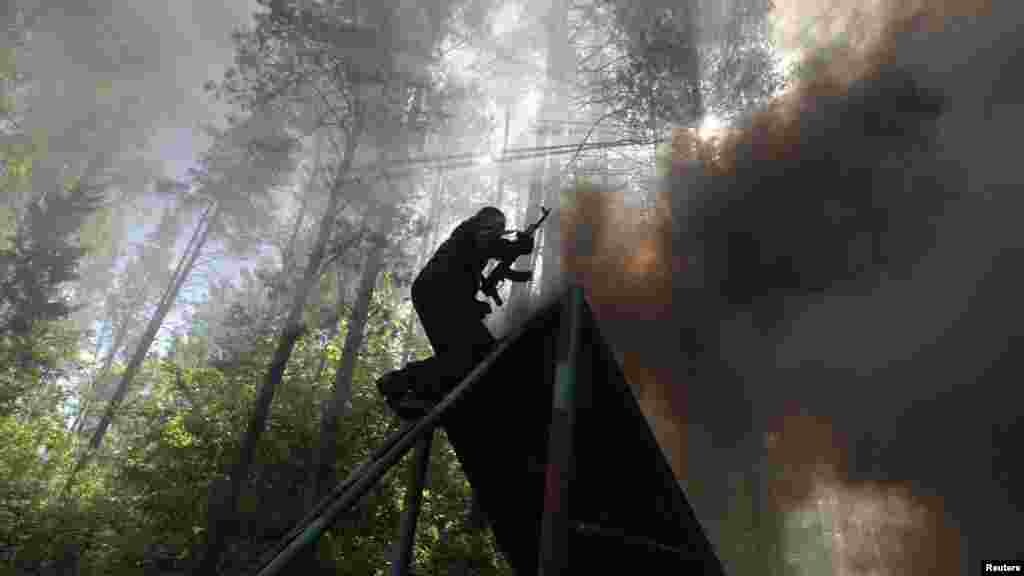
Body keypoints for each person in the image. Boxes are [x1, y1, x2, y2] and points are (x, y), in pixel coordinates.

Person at [377, 206, 535, 418]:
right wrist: (513, 247)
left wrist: (474, 304)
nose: (500, 230)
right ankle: (402, 382)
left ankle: (412, 392)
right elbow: (485, 242)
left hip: (435, 293)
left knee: (461, 357)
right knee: (479, 353)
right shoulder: (473, 231)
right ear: (488, 222)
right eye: (498, 226)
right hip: (438, 292)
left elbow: (462, 273)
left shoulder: (463, 246)